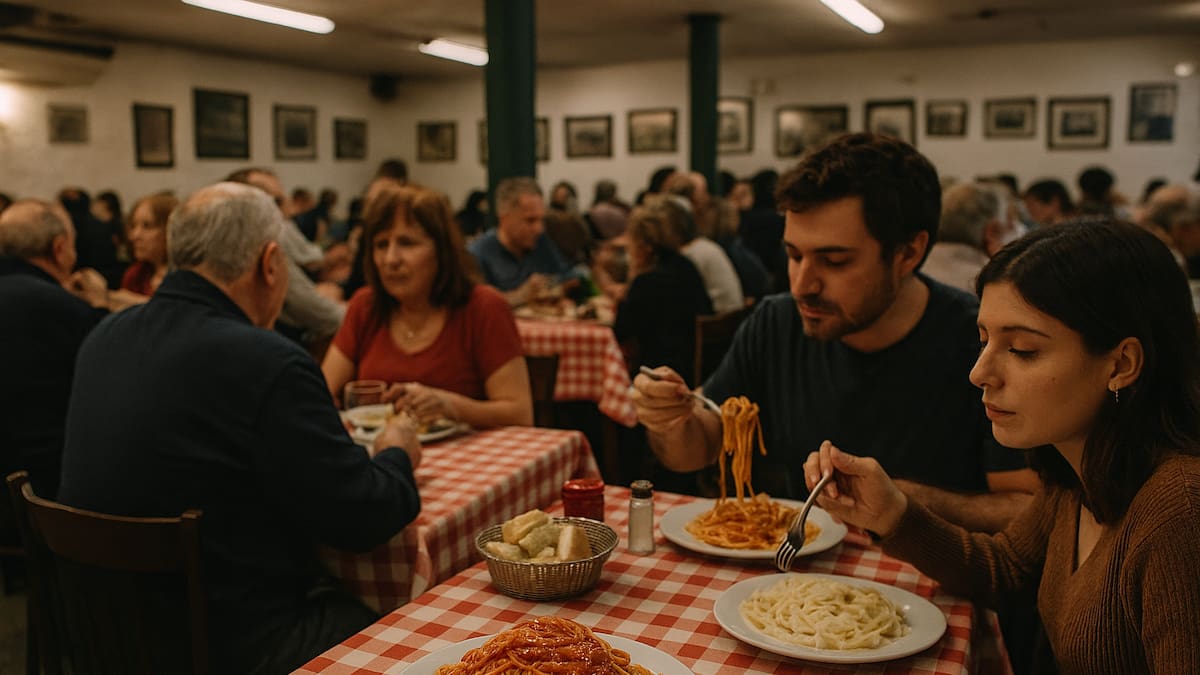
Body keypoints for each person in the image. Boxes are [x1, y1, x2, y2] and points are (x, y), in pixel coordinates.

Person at [804, 219, 1200, 674]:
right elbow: (1004, 569)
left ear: (1122, 363)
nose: (980, 373)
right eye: (984, 340)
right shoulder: (1081, 468)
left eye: (1023, 349)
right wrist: (893, 514)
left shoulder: (1180, 512)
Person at [58, 182, 422, 675]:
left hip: (101, 635)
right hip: (229, 647)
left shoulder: (101, 337)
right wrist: (396, 452)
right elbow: (365, 518)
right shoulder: (267, 362)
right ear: (271, 264)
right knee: (412, 629)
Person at [632, 133, 1035, 534]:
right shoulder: (777, 323)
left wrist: (901, 504)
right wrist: (668, 420)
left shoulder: (982, 343)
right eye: (793, 255)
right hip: (799, 580)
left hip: (938, 581)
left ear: (908, 253)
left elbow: (1030, 509)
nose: (802, 284)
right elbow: (696, 448)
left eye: (835, 261)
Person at [323, 182, 533, 429]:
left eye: (407, 243)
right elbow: (320, 394)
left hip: (465, 462)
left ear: (442, 251)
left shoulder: (484, 307)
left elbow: (520, 415)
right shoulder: (365, 306)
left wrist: (449, 406)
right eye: (381, 245)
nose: (391, 259)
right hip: (378, 460)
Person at [0, 200, 109, 498]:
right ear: (60, 248)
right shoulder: (60, 309)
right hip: (38, 490)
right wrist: (99, 306)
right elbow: (109, 371)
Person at [226, 167, 346, 351]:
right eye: (277, 201)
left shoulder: (232, 243)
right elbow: (323, 315)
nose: (287, 209)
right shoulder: (264, 244)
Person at [613, 198, 713, 386]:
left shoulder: (646, 281)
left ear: (645, 247)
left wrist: (631, 279)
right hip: (697, 370)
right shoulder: (686, 266)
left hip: (658, 375)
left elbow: (620, 333)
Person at [467, 177, 578, 307]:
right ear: (504, 218)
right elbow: (475, 306)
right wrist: (520, 295)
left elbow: (570, 277)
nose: (539, 229)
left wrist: (552, 288)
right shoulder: (477, 254)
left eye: (541, 220)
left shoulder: (540, 242)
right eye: (530, 220)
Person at [922, 181, 1023, 293]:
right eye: (1008, 219)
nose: (1014, 226)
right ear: (992, 231)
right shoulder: (990, 283)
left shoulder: (914, 267)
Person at [120, 192, 177, 297]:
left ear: (169, 230)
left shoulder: (185, 279)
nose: (134, 235)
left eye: (147, 226)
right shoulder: (135, 275)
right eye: (133, 226)